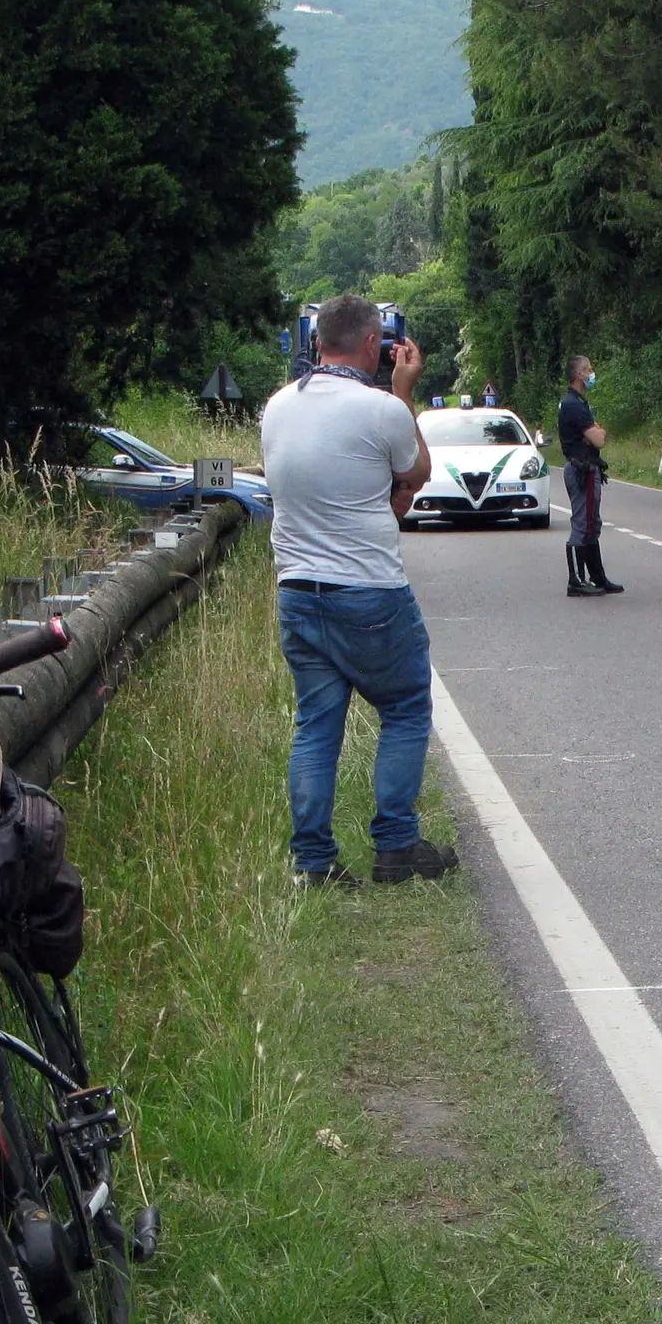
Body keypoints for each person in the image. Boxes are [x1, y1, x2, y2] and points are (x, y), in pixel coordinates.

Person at [259, 293, 460, 888]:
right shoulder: (380, 408)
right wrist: (404, 389)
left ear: (318, 342)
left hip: (297, 586)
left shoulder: (276, 407)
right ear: (374, 344)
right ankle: (395, 845)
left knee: (317, 723)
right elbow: (416, 472)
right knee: (403, 707)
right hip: (367, 588)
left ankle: (313, 862)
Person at [557, 356, 621, 597]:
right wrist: (596, 431)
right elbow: (599, 439)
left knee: (592, 523)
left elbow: (594, 434)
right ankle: (576, 580)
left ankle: (597, 577)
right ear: (579, 374)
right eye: (589, 370)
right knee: (583, 524)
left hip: (585, 466)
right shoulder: (574, 404)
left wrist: (594, 431)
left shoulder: (576, 402)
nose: (592, 373)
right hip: (582, 468)